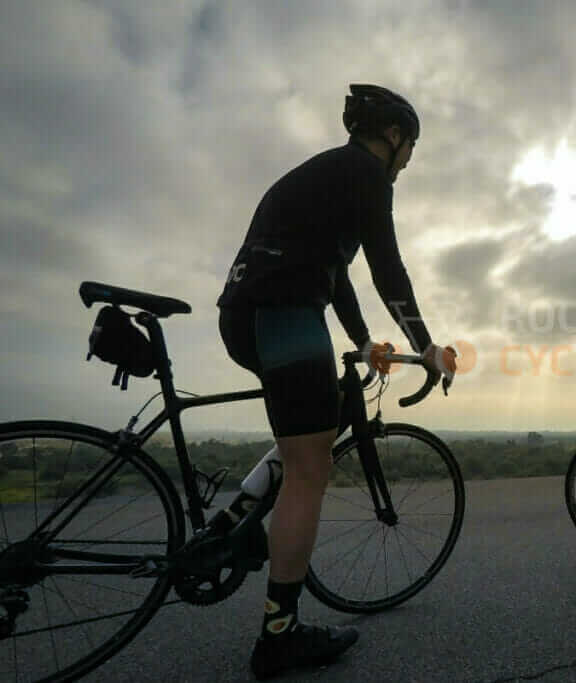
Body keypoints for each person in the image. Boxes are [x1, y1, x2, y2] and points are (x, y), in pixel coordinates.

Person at [214, 83, 456, 679]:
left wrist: (361, 341)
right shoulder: (365, 173)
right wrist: (426, 346)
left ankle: (235, 523)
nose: (409, 161)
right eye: (411, 147)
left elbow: (336, 274)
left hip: (248, 315)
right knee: (310, 469)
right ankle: (279, 636)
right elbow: (386, 266)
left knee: (310, 432)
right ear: (394, 136)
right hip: (287, 314)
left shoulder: (324, 175)